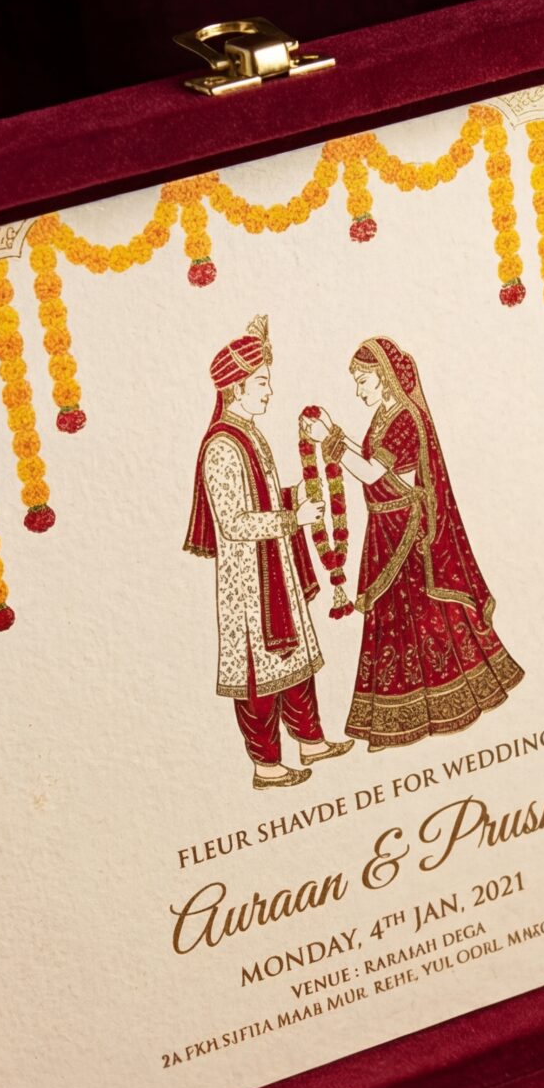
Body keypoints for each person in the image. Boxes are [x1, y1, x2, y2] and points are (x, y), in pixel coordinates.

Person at [301, 338, 521, 750]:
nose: (358, 390)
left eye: (363, 380)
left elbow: (371, 473)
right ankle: (397, 720)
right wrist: (333, 433)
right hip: (387, 526)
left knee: (415, 618)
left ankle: (436, 709)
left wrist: (330, 441)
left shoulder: (404, 417)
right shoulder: (386, 414)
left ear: (384, 378)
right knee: (396, 622)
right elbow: (373, 463)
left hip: (406, 532)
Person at [185, 317, 352, 790]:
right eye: (262, 383)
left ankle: (311, 741)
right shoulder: (222, 446)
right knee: (258, 676)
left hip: (273, 568)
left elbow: (262, 497)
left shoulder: (250, 433)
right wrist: (292, 519)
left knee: (295, 658)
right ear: (236, 387)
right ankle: (266, 766)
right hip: (248, 584)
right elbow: (233, 523)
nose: (270, 392)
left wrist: (296, 495)